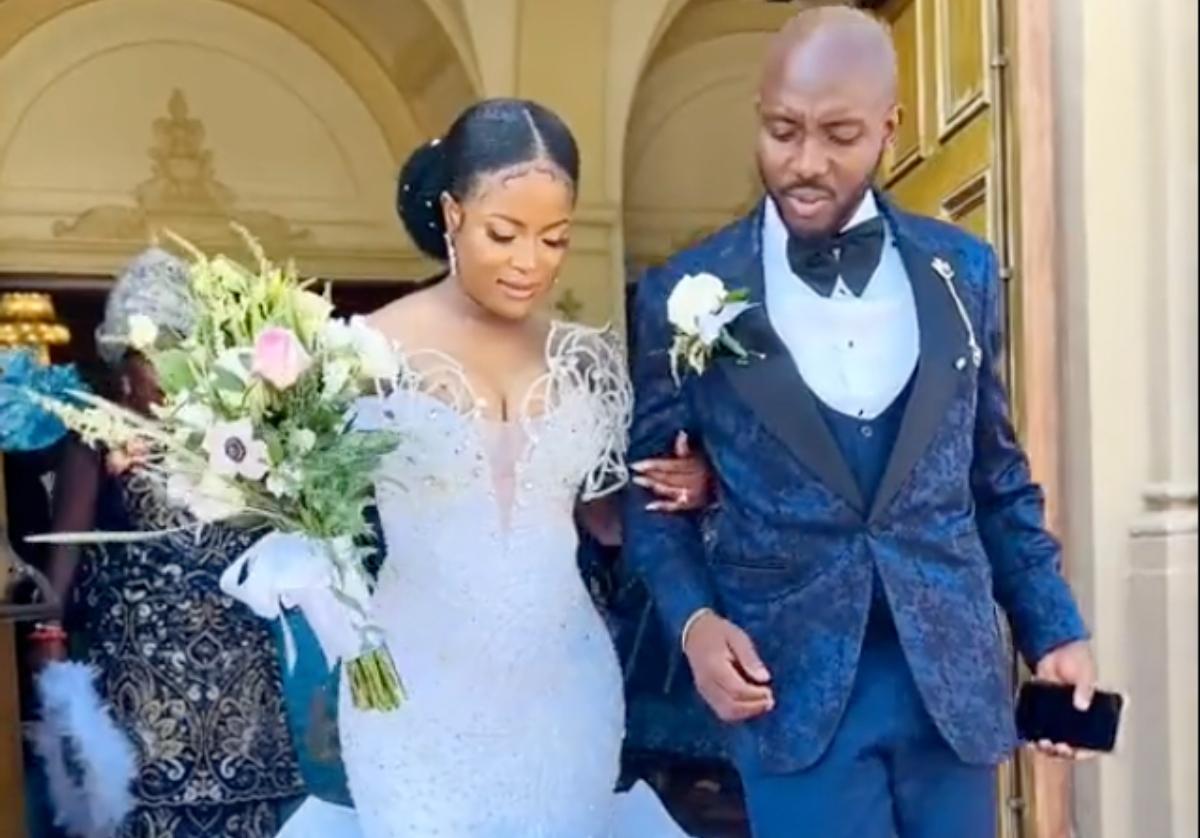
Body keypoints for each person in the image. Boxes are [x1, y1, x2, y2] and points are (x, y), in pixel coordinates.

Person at [623, 8, 1097, 838]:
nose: (805, 163)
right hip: (790, 688)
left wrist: (1051, 627)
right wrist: (696, 626)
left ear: (891, 128)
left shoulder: (964, 272)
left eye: (840, 135)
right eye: (782, 130)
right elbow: (651, 498)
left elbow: (993, 477)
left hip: (950, 688)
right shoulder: (685, 290)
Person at [289, 99, 711, 838]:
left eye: (554, 239)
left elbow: (608, 519)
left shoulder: (585, 359)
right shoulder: (365, 353)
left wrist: (690, 484)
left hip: (565, 685)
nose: (531, 263)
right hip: (415, 693)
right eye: (504, 234)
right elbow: (304, 499)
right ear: (452, 214)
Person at [36, 248, 306, 837]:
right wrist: (53, 667)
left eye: (182, 353)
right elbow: (61, 561)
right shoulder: (97, 439)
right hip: (141, 696)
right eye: (155, 357)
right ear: (123, 372)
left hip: (245, 696)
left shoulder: (240, 438)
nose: (172, 371)